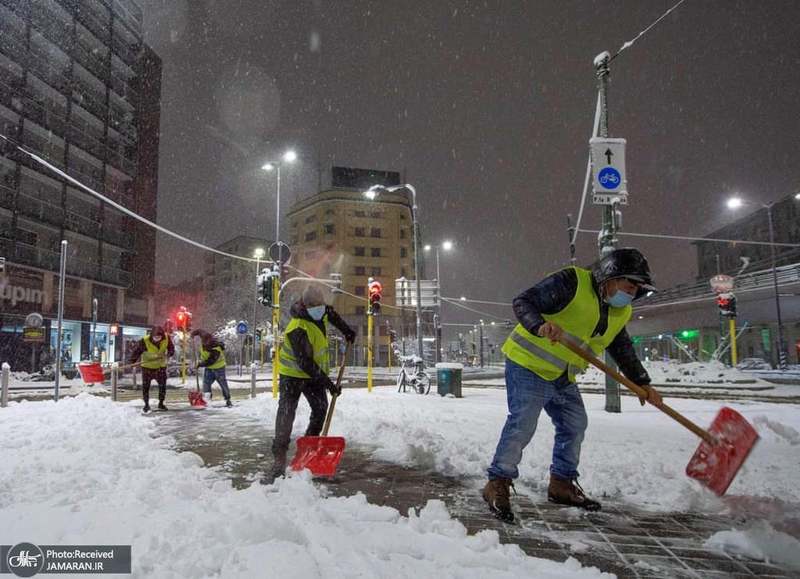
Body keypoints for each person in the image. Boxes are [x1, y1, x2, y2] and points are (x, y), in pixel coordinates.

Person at [483, 248, 662, 522]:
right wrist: (540, 325)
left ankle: (561, 484)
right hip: (528, 365)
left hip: (562, 375)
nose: (634, 292)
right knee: (522, 424)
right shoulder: (572, 282)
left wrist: (642, 381)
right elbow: (523, 302)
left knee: (574, 424)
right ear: (610, 276)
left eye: (639, 287)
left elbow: (621, 346)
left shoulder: (620, 310)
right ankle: (497, 483)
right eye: (631, 284)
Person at [268, 284, 356, 480]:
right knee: (286, 413)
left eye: (321, 305)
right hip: (292, 375)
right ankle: (279, 460)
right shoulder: (297, 327)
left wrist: (347, 330)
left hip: (313, 375)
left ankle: (309, 446)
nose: (320, 309)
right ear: (305, 306)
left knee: (320, 408)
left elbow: (331, 314)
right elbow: (306, 363)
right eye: (315, 306)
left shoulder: (321, 312)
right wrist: (329, 384)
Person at [128, 325, 174, 412]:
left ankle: (161, 403)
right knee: (146, 387)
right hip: (147, 367)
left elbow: (171, 348)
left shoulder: (166, 338)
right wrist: (132, 362)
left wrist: (169, 354)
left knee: (162, 386)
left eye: (159, 337)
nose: (157, 338)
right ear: (152, 335)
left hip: (160, 367)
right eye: (155, 337)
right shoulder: (145, 340)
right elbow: (137, 351)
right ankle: (146, 405)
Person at [191, 329, 232, 407]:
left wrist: (199, 364)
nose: (203, 343)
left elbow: (210, 361)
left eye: (205, 343)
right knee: (206, 383)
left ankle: (228, 399)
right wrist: (193, 334)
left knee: (223, 384)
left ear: (209, 342)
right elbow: (199, 331)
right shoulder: (204, 336)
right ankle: (207, 399)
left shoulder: (215, 349)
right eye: (203, 341)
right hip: (209, 368)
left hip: (219, 368)